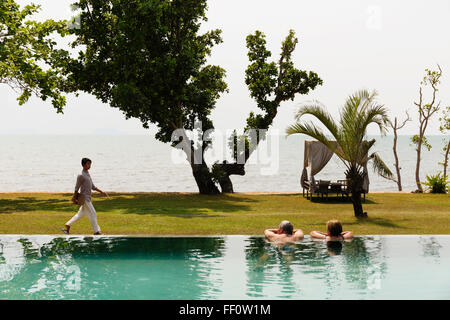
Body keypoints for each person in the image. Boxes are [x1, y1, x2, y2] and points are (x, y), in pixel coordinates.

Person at [61, 158, 108, 235]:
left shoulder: (88, 174)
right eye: (88, 164)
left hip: (88, 198)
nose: (89, 166)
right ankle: (96, 232)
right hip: (84, 198)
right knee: (93, 213)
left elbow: (92, 186)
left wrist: (101, 192)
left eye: (90, 164)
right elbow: (77, 188)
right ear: (83, 165)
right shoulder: (81, 175)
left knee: (80, 214)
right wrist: (74, 198)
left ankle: (68, 225)